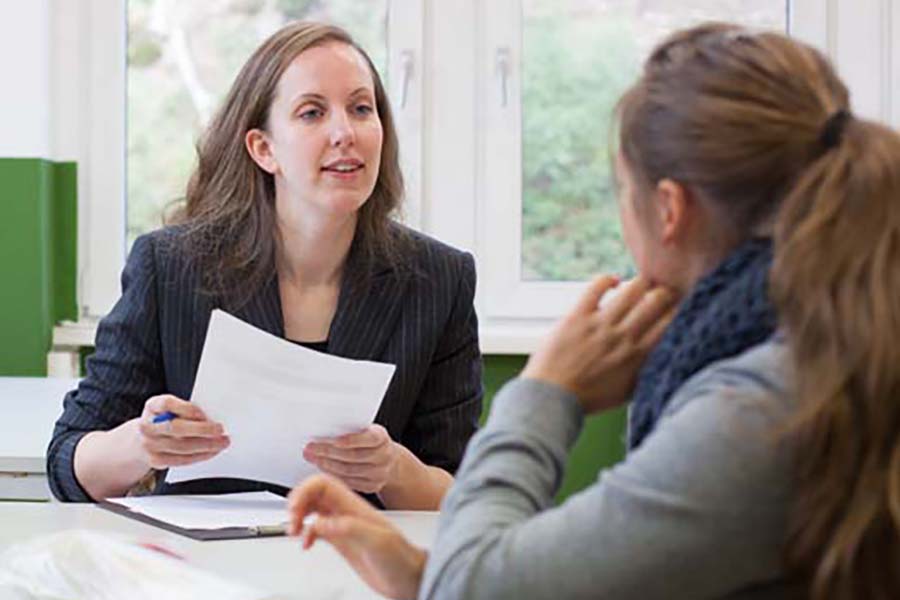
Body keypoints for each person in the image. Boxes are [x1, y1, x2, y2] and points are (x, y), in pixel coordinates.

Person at [285, 23, 900, 599]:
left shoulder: (756, 413)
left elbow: (470, 590)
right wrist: (430, 574)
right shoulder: (829, 349)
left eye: (620, 193)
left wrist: (548, 390)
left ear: (668, 210)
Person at [47, 22, 483, 510]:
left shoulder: (439, 279)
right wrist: (141, 445)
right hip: (203, 571)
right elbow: (68, 464)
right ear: (263, 148)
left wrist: (394, 470)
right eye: (312, 112)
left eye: (362, 109)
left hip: (354, 572)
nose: (345, 132)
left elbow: (464, 495)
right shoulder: (169, 267)